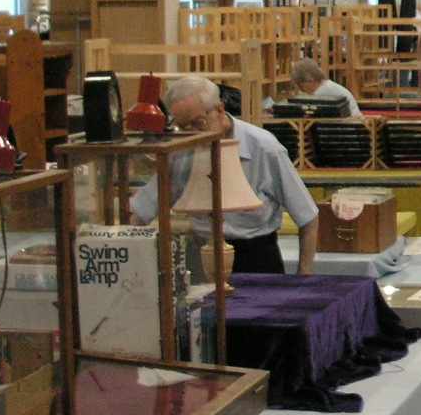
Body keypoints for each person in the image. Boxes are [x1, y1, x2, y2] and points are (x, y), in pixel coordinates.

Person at [131, 76, 320, 274]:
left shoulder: (264, 148)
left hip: (256, 258)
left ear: (220, 109)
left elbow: (308, 217)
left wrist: (303, 276)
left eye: (198, 123)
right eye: (183, 127)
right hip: (201, 254)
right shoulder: (181, 149)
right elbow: (143, 210)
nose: (192, 134)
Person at [289, 56, 361, 117]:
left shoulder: (322, 92)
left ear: (310, 79)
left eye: (301, 85)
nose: (302, 89)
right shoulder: (326, 85)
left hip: (350, 123)